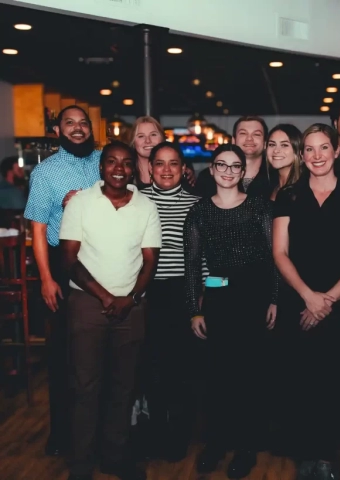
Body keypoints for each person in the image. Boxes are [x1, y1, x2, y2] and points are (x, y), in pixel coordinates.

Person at [273, 123, 340, 480]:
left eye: (323, 148)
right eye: (310, 150)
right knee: (300, 381)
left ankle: (328, 456)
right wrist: (308, 297)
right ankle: (304, 454)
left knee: (335, 382)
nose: (316, 156)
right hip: (298, 300)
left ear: (335, 152)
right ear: (303, 156)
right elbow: (280, 252)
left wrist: (326, 301)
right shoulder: (289, 196)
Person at [60, 141, 161, 480]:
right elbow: (69, 260)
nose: (119, 168)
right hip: (87, 305)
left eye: (127, 162)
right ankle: (81, 462)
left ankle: (114, 457)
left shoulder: (146, 206)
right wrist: (104, 296)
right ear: (101, 167)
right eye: (112, 162)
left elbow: (151, 261)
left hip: (131, 307)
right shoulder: (81, 203)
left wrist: (130, 298)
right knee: (86, 386)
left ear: (134, 168)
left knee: (124, 387)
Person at [184, 143, 277, 479]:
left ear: (242, 172)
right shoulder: (199, 212)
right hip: (219, 299)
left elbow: (275, 257)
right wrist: (194, 310)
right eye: (221, 165)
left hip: (254, 298)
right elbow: (192, 264)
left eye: (234, 166)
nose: (227, 171)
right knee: (216, 375)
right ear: (212, 170)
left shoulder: (259, 208)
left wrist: (276, 299)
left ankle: (246, 447)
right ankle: (216, 443)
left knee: (249, 376)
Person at [24, 105, 101, 456]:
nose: (78, 128)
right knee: (65, 354)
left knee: (103, 352)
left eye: (83, 123)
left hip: (108, 262)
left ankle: (101, 433)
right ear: (57, 131)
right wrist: (45, 278)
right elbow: (38, 229)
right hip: (64, 264)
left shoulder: (106, 160)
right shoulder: (45, 172)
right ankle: (63, 436)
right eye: (70, 123)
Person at [139, 142, 200, 461]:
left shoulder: (198, 204)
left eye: (173, 163)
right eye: (159, 163)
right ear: (149, 167)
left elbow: (205, 261)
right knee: (151, 368)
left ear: (183, 168)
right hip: (145, 294)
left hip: (184, 294)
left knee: (182, 369)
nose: (166, 169)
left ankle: (178, 435)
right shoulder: (135, 200)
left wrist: (204, 297)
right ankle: (156, 431)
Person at [194, 115, 275, 199]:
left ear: (265, 143)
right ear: (233, 140)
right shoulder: (207, 176)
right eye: (243, 133)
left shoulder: (276, 178)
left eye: (257, 134)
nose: (249, 138)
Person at [129, 116, 195, 191]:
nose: (148, 141)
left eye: (153, 134)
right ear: (133, 142)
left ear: (162, 138)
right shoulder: (125, 172)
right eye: (141, 136)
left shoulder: (182, 172)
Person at [266, 123, 303, 201]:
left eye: (284, 145)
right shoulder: (267, 186)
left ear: (297, 150)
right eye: (272, 144)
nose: (276, 150)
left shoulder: (304, 189)